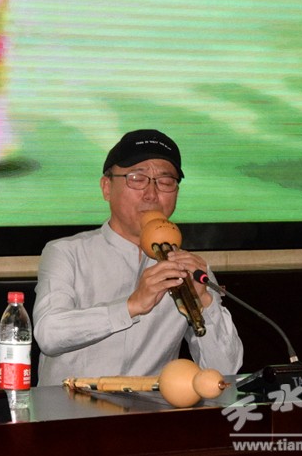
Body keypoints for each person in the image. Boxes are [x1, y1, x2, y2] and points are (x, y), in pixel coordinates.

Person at [33, 129, 243, 386]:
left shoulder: (189, 268)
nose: (151, 194)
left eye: (165, 181)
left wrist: (205, 302)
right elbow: (49, 334)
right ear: (107, 187)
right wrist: (131, 306)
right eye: (137, 178)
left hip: (151, 408)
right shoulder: (66, 252)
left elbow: (225, 370)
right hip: (70, 407)